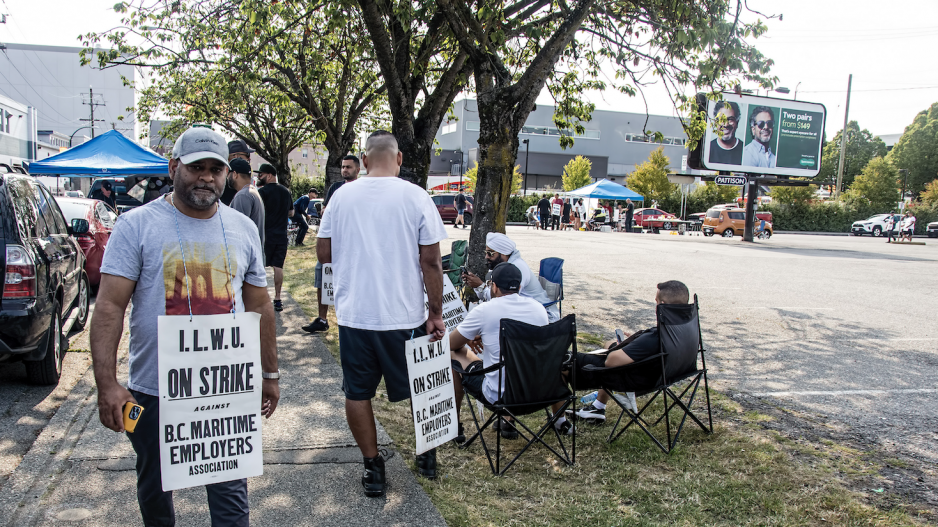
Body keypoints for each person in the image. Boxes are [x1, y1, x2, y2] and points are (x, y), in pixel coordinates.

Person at [90, 126, 279, 527]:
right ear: (174, 166)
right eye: (196, 167)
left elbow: (260, 302)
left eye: (216, 169)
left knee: (231, 498)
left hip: (224, 389)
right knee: (155, 489)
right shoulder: (137, 225)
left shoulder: (242, 228)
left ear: (227, 174)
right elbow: (109, 305)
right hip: (152, 392)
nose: (207, 177)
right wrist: (107, 384)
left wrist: (270, 373)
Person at [317, 130, 447, 497]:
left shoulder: (341, 196)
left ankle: (373, 469)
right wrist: (435, 313)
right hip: (404, 315)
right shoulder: (417, 196)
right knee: (422, 388)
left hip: (356, 315)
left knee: (358, 392)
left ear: (365, 159)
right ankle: (427, 455)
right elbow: (432, 261)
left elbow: (323, 254)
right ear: (400, 158)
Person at [450, 262, 572, 440]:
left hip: (501, 397)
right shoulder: (539, 309)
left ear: (494, 286)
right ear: (520, 286)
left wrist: (471, 336)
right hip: (541, 392)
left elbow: (450, 344)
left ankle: (455, 427)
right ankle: (514, 422)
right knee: (516, 363)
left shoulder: (485, 310)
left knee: (454, 354)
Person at [571, 280, 689, 423]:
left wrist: (619, 346)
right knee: (612, 348)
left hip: (636, 378)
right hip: (664, 375)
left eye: (656, 301)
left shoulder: (656, 337)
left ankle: (559, 422)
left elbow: (611, 362)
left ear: (662, 305)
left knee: (566, 360)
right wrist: (634, 344)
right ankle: (598, 407)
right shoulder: (686, 330)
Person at [303, 155, 360, 334]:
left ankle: (353, 319)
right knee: (323, 275)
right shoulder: (335, 187)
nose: (344, 170)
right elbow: (326, 211)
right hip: (333, 242)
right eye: (343, 167)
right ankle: (322, 319)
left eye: (348, 167)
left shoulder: (361, 188)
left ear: (358, 169)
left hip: (353, 244)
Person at [461, 232, 559, 322]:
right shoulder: (499, 266)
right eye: (486, 252)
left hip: (542, 316)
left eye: (490, 253)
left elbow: (502, 300)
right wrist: (476, 286)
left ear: (503, 253)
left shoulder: (517, 268)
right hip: (520, 313)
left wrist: (480, 286)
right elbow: (492, 296)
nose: (486, 257)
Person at [256, 163, 293, 312]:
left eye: (261, 175)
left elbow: (257, 211)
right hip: (281, 234)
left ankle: (261, 297)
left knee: (260, 267)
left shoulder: (262, 192)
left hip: (265, 235)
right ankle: (278, 299)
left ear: (269, 175)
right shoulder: (286, 191)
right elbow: (291, 212)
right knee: (278, 267)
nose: (259, 177)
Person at [228, 158, 266, 246]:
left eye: (228, 174)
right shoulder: (253, 192)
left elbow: (238, 232)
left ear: (234, 174)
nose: (227, 177)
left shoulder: (243, 195)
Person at [708, 100, 744, 165]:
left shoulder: (745, 150)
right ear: (716, 122)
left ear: (737, 122)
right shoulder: (707, 149)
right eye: (722, 120)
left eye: (730, 119)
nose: (726, 125)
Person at [222, 138, 255, 205]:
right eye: (247, 155)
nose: (249, 158)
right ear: (236, 156)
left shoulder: (221, 175)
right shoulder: (228, 181)